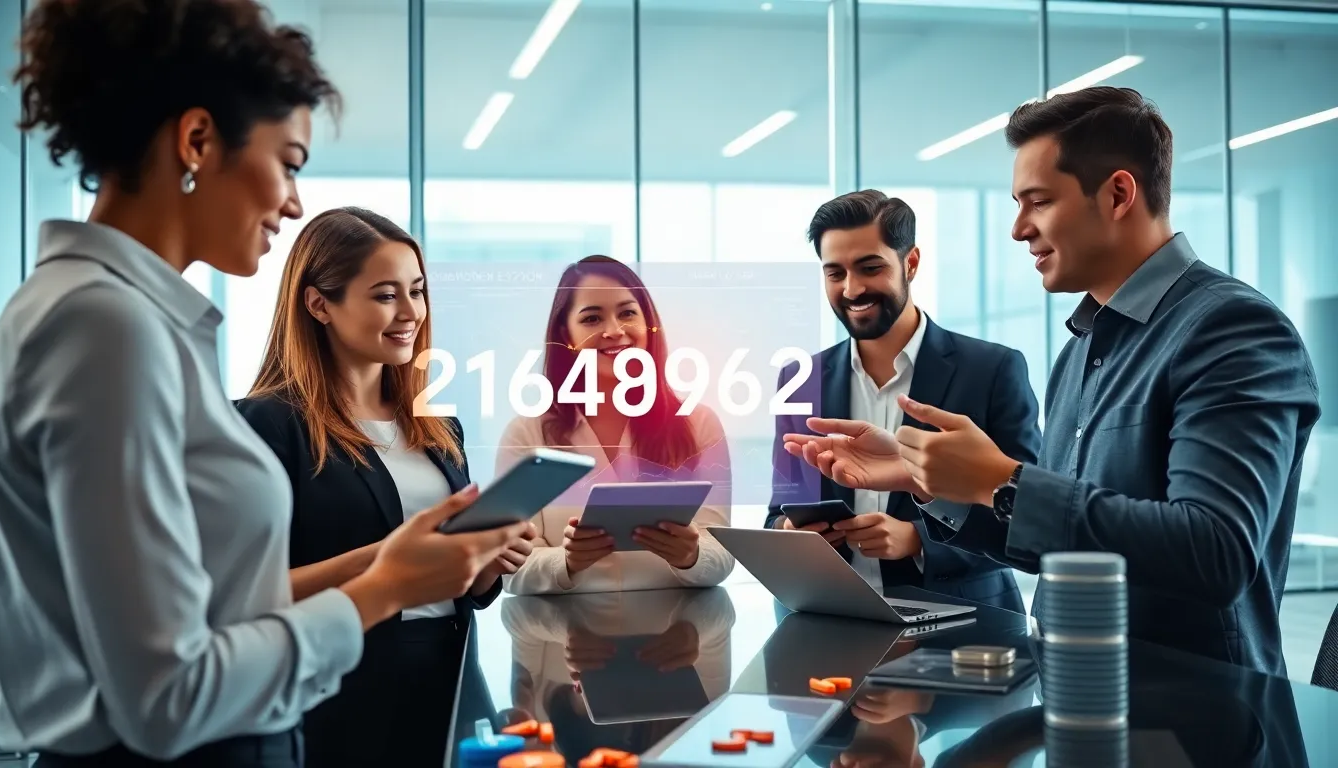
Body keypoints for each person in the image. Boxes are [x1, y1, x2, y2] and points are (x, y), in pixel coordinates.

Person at [0, 3, 524, 766]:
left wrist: (396, 563)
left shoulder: (113, 318)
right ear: (197, 141)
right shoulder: (105, 328)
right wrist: (382, 589)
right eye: (290, 162)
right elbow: (168, 695)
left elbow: (205, 606)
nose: (295, 202)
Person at [784, 86, 1320, 677]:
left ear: (1118, 194)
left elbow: (1214, 551)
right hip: (1075, 689)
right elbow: (1061, 542)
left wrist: (1001, 479)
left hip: (1194, 706)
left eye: (1038, 202)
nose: (1018, 229)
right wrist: (932, 478)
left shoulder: (1233, 329)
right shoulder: (1080, 350)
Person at [234, 207, 534, 765]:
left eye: (417, 291)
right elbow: (245, 595)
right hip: (340, 701)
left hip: (451, 685)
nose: (411, 312)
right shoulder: (267, 424)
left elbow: (467, 592)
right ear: (319, 304)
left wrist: (488, 557)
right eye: (385, 295)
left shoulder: (439, 429)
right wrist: (390, 560)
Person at [767, 191, 1039, 615]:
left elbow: (1026, 519)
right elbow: (777, 514)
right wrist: (790, 533)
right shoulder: (799, 381)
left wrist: (919, 540)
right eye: (835, 273)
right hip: (831, 622)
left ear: (910, 263)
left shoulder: (992, 370)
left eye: (870, 268)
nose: (852, 289)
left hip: (965, 626)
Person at [498, 256, 735, 594]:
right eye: (592, 318)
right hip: (564, 626)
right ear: (566, 334)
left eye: (627, 313)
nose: (614, 331)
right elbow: (510, 571)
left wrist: (692, 555)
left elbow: (722, 554)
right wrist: (567, 561)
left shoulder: (699, 424)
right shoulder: (526, 434)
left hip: (677, 624)